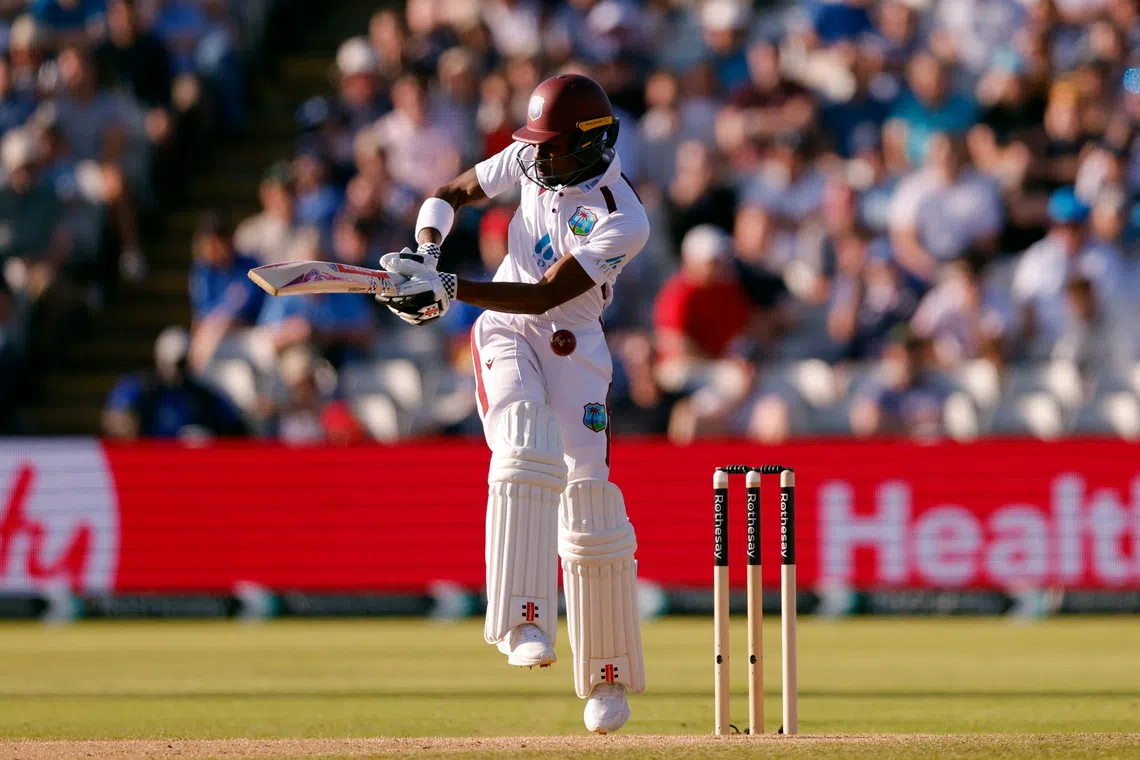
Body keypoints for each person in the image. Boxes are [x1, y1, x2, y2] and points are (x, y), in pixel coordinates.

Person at [373, 74, 648, 734]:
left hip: (572, 340)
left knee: (589, 502)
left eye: (551, 148)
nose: (537, 159)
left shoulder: (621, 215)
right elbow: (450, 193)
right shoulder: (529, 158)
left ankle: (605, 674)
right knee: (523, 441)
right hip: (504, 328)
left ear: (588, 144)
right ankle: (524, 617)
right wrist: (427, 251)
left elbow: (548, 294)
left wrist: (447, 286)